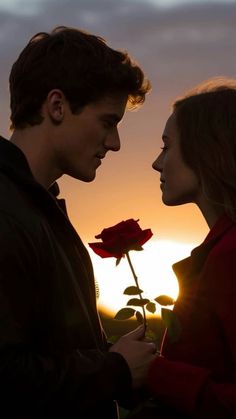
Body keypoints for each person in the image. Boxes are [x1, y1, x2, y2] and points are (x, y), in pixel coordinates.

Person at [0, 25, 156, 418]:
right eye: (107, 121)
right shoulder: (6, 210)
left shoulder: (37, 207)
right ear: (56, 106)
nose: (115, 142)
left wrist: (122, 361)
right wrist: (115, 370)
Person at [136, 76, 236, 419]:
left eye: (167, 146)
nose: (157, 163)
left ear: (205, 148)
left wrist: (156, 373)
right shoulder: (220, 250)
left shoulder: (231, 255)